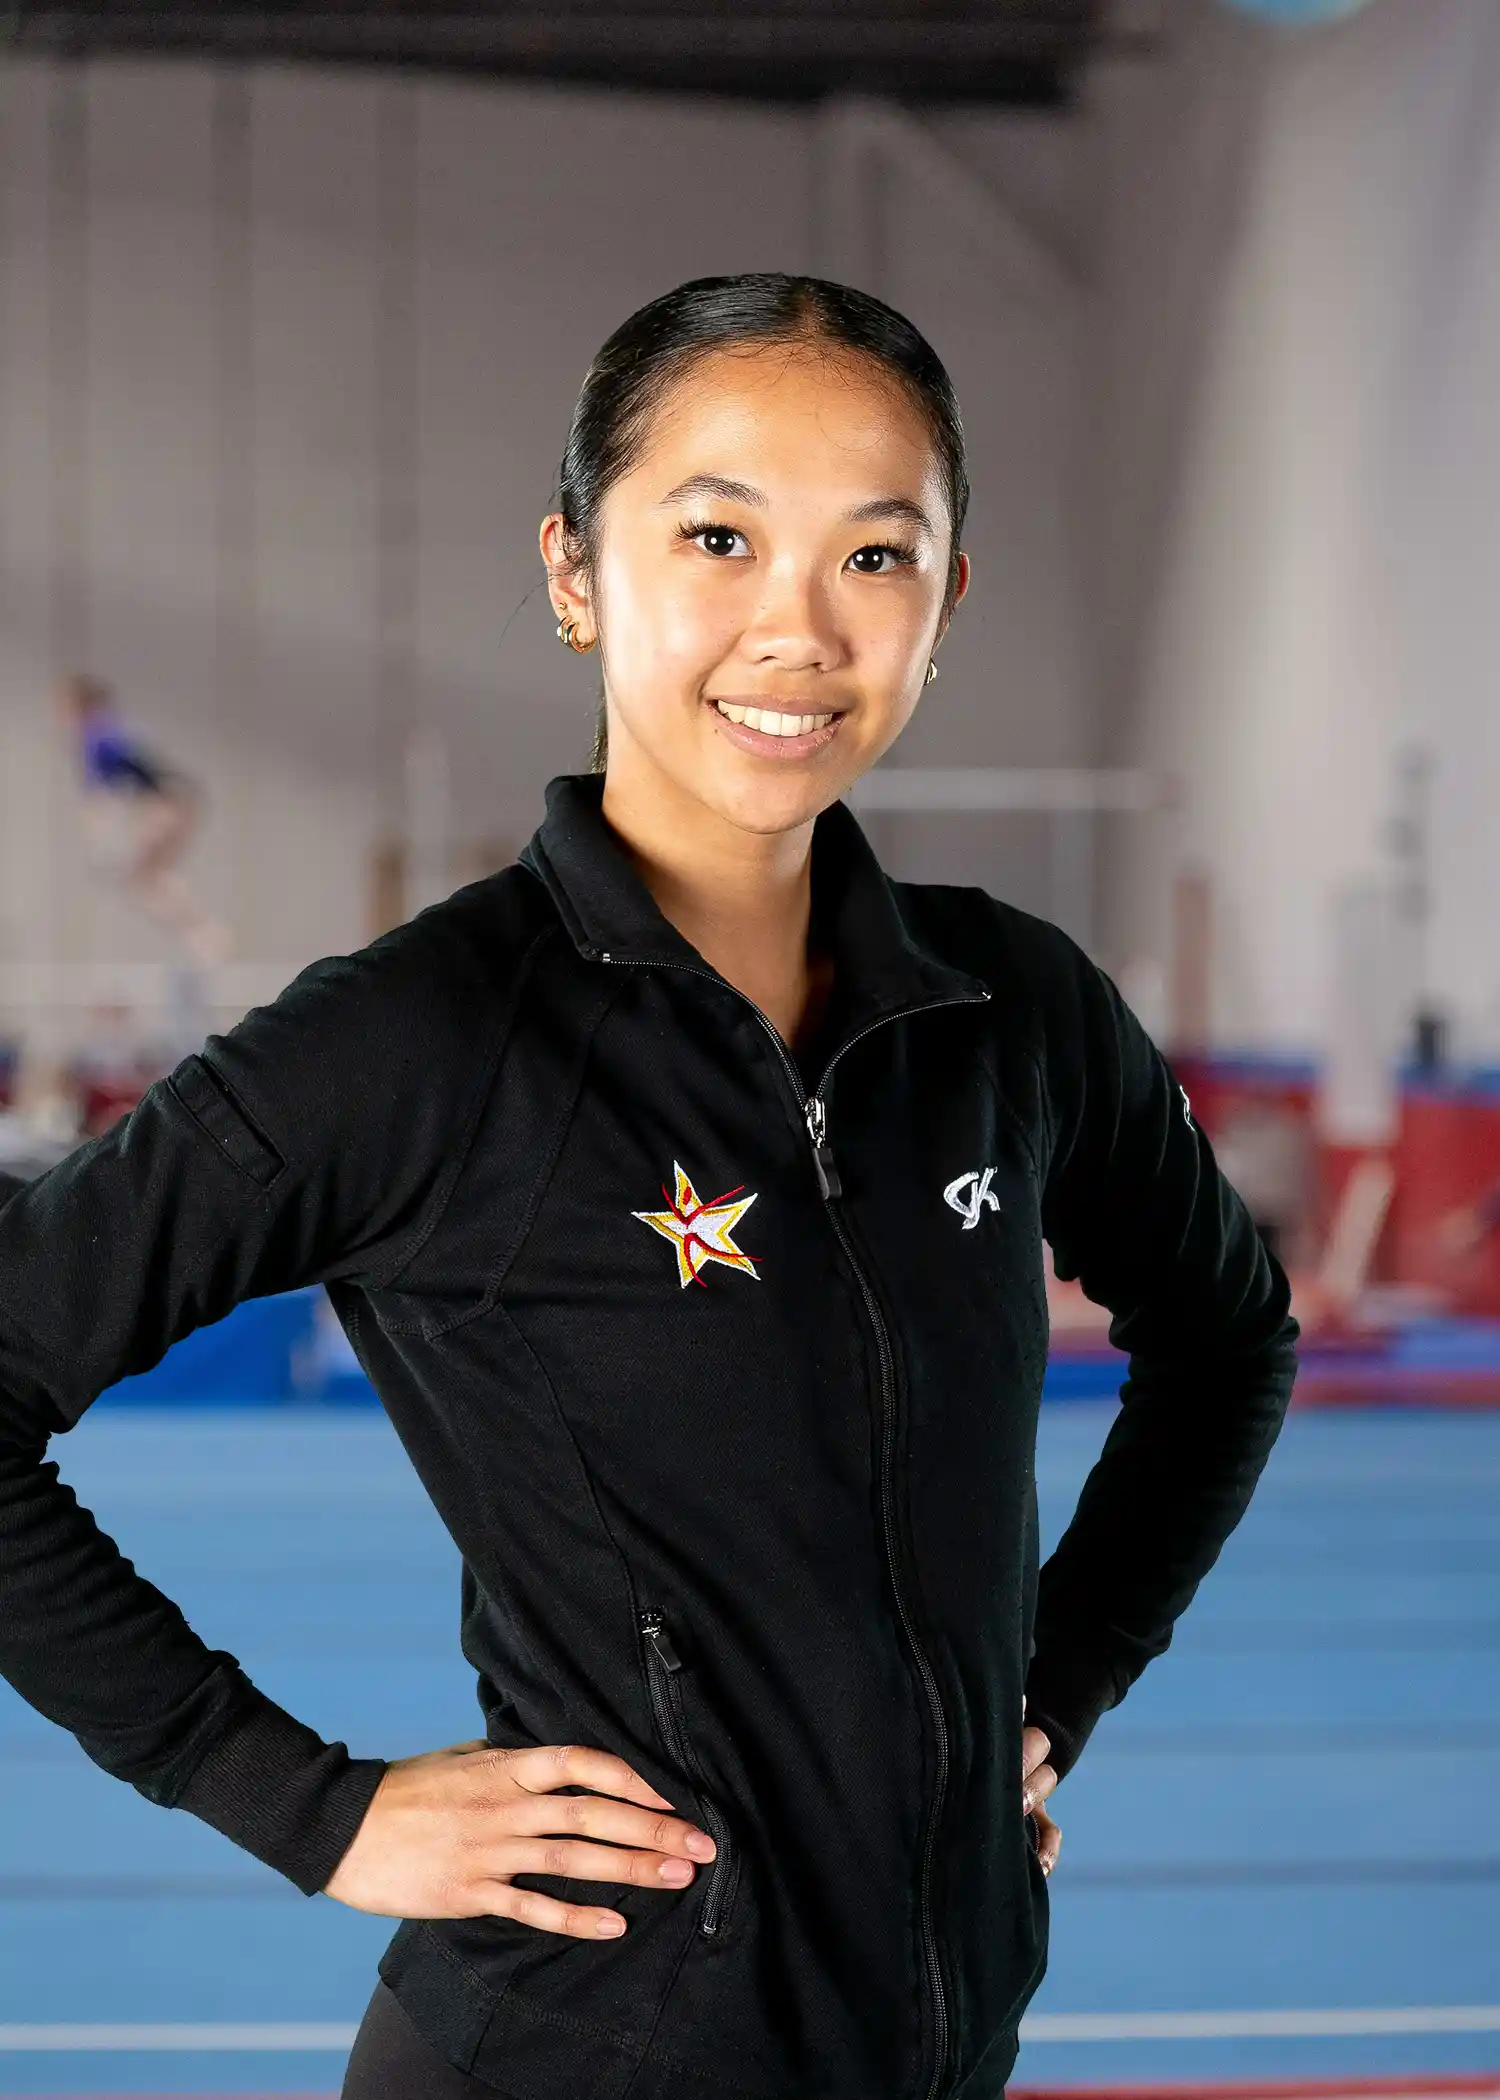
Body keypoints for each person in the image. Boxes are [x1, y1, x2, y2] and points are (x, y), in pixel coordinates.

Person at [0, 275, 1300, 2100]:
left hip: (936, 2035)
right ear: (572, 572)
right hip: (582, 2051)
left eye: (877, 556)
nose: (799, 629)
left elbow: (1230, 1338)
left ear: (948, 599)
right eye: (716, 536)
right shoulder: (425, 1040)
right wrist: (297, 1802)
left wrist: (1050, 1690)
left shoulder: (1014, 1010)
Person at [57, 671, 233, 967]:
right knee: (150, 878)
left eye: (63, 708)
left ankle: (204, 935)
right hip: (175, 798)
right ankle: (203, 934)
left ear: (78, 706)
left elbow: (100, 800)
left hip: (167, 802)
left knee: (144, 879)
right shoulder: (111, 728)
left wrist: (99, 847)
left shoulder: (94, 735)